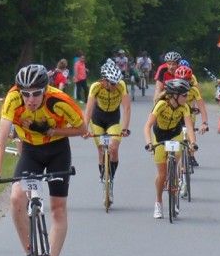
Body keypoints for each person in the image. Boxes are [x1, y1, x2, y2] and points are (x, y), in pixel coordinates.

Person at [0, 64, 86, 256]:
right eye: (25, 94)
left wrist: (54, 132)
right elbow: (1, 136)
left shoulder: (59, 100)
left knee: (58, 211)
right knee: (16, 197)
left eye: (36, 94)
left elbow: (82, 128)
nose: (30, 99)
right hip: (30, 151)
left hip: (57, 151)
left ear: (45, 89)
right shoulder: (13, 99)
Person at [143, 78, 197, 219]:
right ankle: (158, 202)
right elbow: (147, 126)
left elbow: (189, 126)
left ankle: (173, 197)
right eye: (184, 95)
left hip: (175, 134)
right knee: (162, 174)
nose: (187, 98)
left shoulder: (184, 107)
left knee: (174, 165)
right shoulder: (161, 104)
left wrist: (193, 143)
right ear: (174, 95)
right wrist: (149, 143)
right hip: (160, 136)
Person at [83, 61, 131, 202]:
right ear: (104, 81)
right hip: (97, 118)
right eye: (112, 83)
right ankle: (103, 176)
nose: (116, 86)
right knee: (101, 150)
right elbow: (89, 109)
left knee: (113, 148)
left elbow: (127, 108)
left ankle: (111, 178)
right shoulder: (96, 87)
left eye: (117, 82)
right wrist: (85, 129)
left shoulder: (121, 86)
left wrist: (125, 128)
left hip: (113, 118)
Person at [174, 65, 209, 166]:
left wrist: (204, 123)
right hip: (175, 116)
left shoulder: (194, 90)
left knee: (190, 133)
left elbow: (202, 107)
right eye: (180, 80)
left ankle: (191, 154)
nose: (183, 83)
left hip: (188, 115)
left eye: (186, 80)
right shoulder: (172, 89)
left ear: (191, 80)